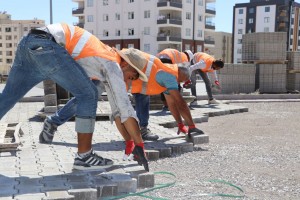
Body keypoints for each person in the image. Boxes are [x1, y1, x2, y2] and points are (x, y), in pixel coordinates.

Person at [0, 23, 149, 171]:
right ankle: (84, 156)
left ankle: (83, 154)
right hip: (47, 47)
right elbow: (126, 108)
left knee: (7, 98)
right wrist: (140, 144)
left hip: (28, 43)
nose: (129, 82)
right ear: (126, 65)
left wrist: (131, 142)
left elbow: (119, 111)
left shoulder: (105, 59)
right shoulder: (112, 65)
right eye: (132, 77)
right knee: (88, 94)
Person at [126, 48, 204, 138]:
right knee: (139, 103)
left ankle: (138, 131)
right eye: (181, 81)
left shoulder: (168, 75)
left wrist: (180, 124)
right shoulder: (170, 76)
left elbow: (171, 104)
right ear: (180, 75)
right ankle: (141, 131)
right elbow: (180, 102)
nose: (178, 84)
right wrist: (191, 126)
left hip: (138, 77)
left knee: (142, 101)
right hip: (132, 73)